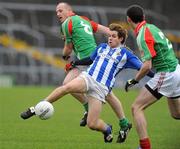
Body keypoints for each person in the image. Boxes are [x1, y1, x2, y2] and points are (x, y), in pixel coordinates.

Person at [20, 23, 154, 143]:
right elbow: (89, 60)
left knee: (92, 123)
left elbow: (143, 67)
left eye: (113, 36)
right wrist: (75, 63)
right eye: (109, 35)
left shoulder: (126, 54)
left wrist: (156, 76)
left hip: (101, 88)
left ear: (121, 39)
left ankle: (107, 129)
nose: (110, 38)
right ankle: (36, 108)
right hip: (87, 78)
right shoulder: (101, 47)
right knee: (66, 88)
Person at [55, 2, 132, 143]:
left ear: (68, 11)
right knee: (67, 84)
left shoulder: (67, 24)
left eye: (60, 10)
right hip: (84, 61)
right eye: (57, 12)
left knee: (108, 95)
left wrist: (65, 56)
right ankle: (87, 109)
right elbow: (106, 30)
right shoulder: (84, 20)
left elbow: (68, 48)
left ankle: (124, 123)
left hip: (95, 62)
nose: (58, 14)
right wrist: (118, 39)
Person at [125, 4, 180, 149]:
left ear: (128, 20)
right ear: (143, 17)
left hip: (167, 73)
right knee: (177, 114)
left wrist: (134, 80)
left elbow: (147, 66)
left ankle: (144, 147)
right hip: (176, 69)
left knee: (136, 107)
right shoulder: (152, 27)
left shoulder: (142, 34)